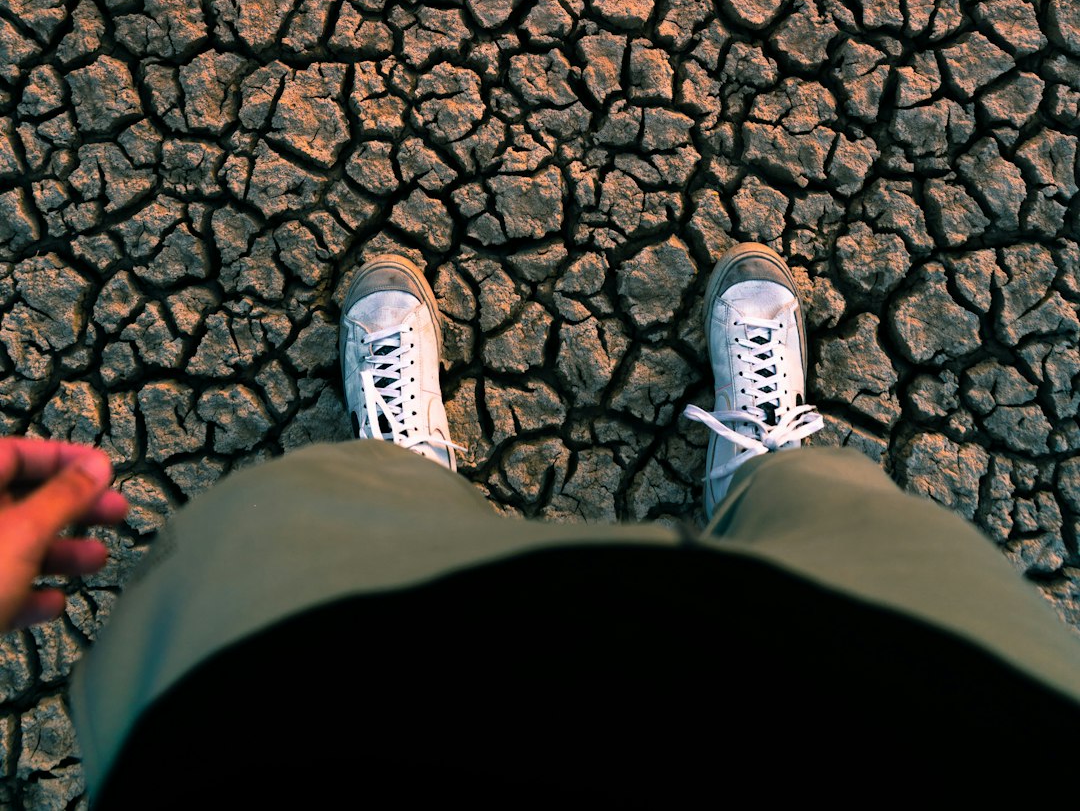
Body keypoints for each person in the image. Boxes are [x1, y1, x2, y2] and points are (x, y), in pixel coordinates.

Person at [5, 243, 1079, 801]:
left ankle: (390, 474)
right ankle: (762, 480)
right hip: (957, 754)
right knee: (862, 537)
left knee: (272, 551)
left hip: (314, 740)